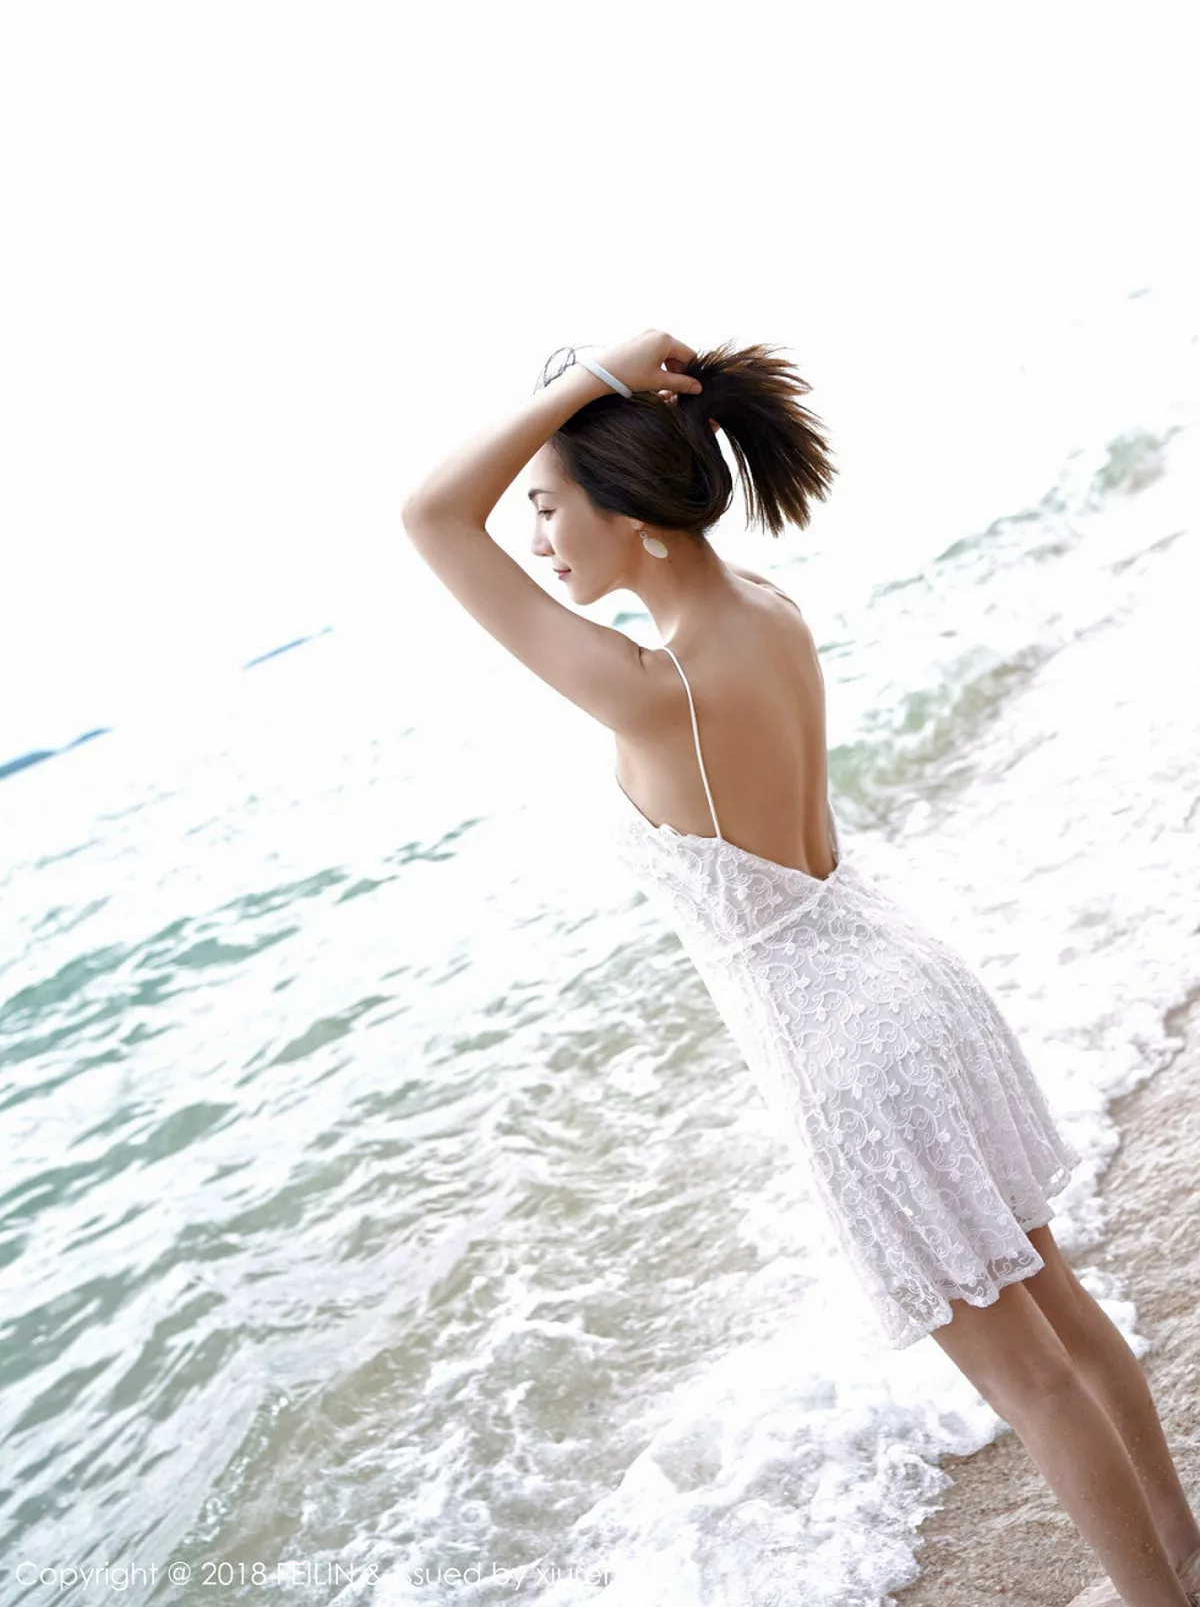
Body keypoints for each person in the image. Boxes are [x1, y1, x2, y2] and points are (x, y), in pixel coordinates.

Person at [401, 327, 1200, 1607]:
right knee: (1054, 1301)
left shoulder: (652, 689)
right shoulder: (767, 612)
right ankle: (1183, 1553)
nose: (536, 541)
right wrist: (592, 401)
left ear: (633, 513)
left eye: (547, 507)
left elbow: (430, 517)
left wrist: (588, 382)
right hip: (908, 976)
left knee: (1027, 1379)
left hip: (846, 1045)